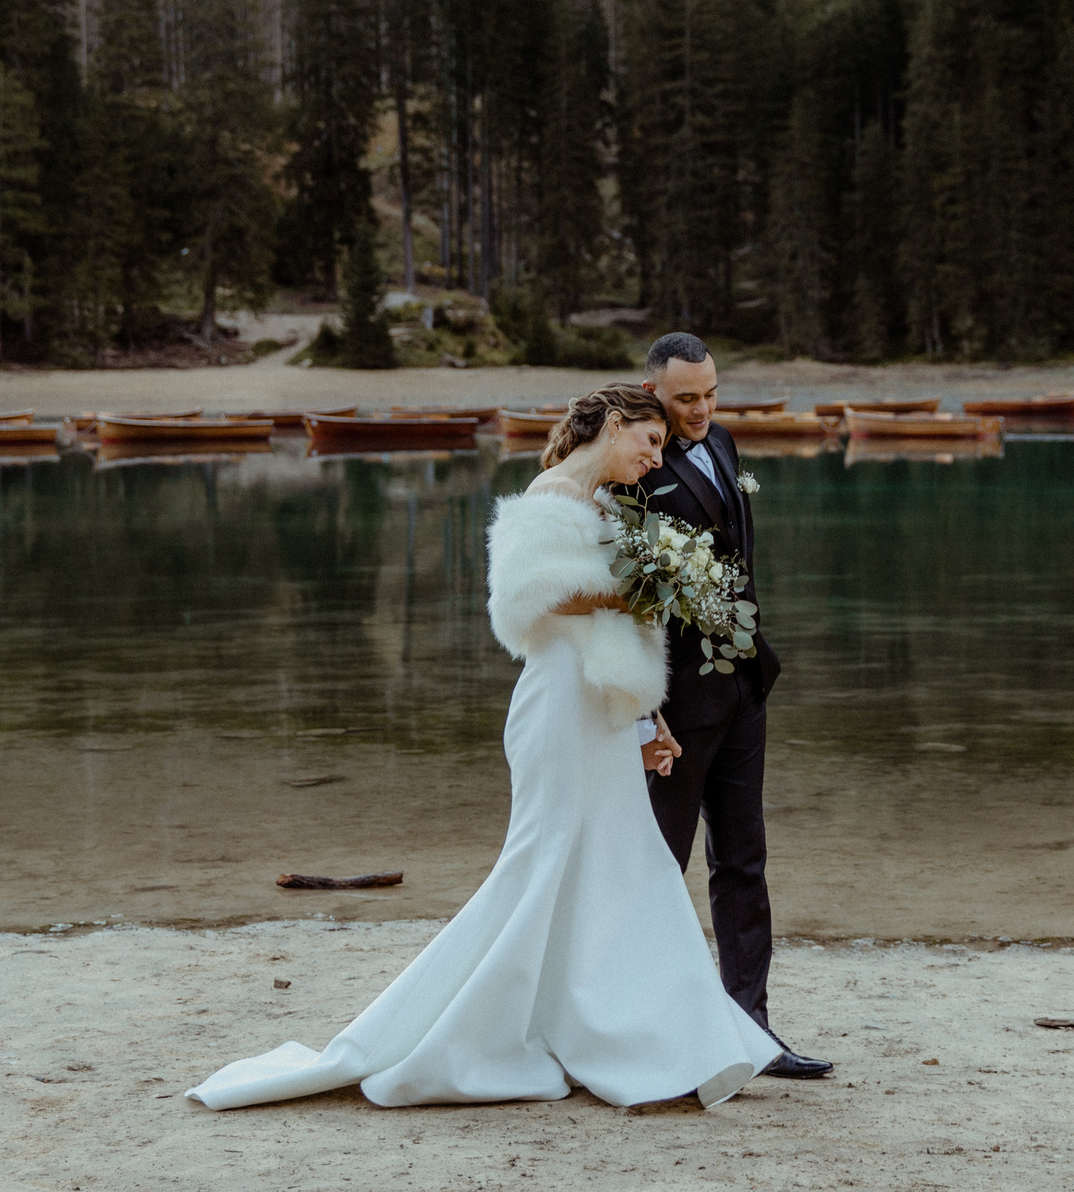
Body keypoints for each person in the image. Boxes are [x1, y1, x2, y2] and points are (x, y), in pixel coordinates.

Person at [184, 384, 779, 1111]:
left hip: (595, 711)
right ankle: (500, 1033)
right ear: (614, 424)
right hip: (557, 709)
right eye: (649, 441)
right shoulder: (551, 492)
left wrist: (645, 718)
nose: (657, 459)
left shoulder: (608, 505)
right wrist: (642, 586)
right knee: (544, 868)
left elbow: (608, 630)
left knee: (627, 866)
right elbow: (530, 597)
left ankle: (648, 1036)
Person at [634, 332, 833, 1081]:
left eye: (711, 393)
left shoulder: (723, 441)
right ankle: (652, 1034)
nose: (702, 410)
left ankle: (751, 1032)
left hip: (745, 685)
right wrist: (644, 707)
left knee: (744, 860)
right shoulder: (633, 468)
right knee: (660, 867)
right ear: (652, 392)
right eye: (686, 397)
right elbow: (626, 600)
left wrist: (751, 656)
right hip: (677, 704)